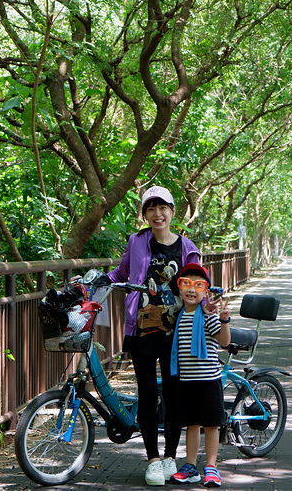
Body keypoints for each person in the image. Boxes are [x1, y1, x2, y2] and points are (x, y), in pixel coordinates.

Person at [105, 185, 202, 486]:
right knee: (147, 396)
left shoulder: (187, 248)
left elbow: (198, 285)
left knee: (173, 396)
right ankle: (152, 460)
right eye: (151, 208)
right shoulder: (136, 242)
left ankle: (171, 456)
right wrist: (93, 284)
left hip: (178, 334)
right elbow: (120, 274)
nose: (157, 214)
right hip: (142, 331)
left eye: (163, 208)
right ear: (145, 214)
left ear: (173, 212)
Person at [168, 263, 231, 488]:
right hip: (186, 381)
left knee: (211, 425)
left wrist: (223, 320)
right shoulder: (178, 315)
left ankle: (212, 467)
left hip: (208, 381)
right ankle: (190, 466)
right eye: (186, 283)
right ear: (180, 289)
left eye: (199, 285)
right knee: (191, 424)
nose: (192, 289)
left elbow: (224, 342)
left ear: (206, 291)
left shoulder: (207, 316)